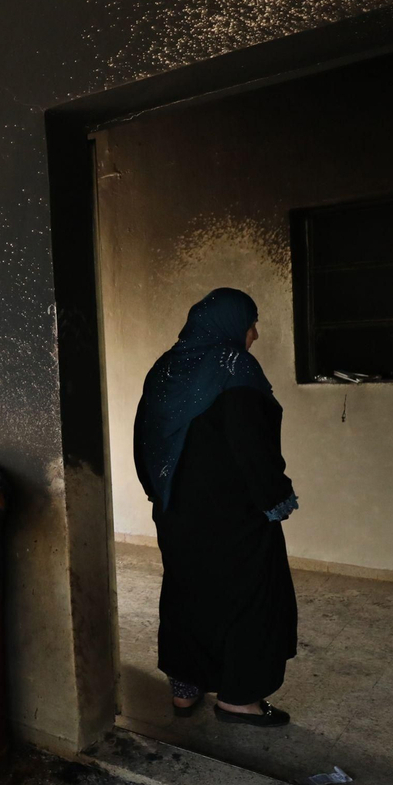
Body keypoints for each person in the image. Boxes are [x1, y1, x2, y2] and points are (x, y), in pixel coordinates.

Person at [133, 288, 299, 727]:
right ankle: (239, 699)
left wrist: (158, 493)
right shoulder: (233, 366)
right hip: (234, 516)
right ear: (230, 324)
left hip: (176, 512)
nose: (256, 334)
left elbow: (143, 437)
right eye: (251, 323)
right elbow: (252, 445)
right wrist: (275, 497)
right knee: (249, 597)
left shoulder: (164, 368)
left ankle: (186, 688)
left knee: (186, 591)